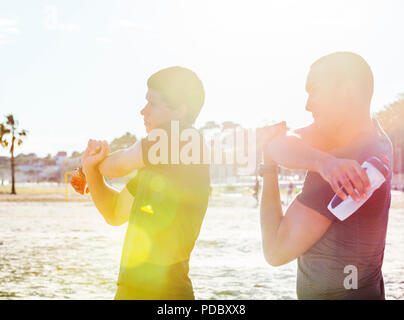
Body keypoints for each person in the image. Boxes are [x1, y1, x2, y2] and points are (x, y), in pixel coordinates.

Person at [259, 52, 393, 299]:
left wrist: (269, 171)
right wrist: (323, 161)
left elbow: (275, 250)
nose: (308, 105)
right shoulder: (375, 138)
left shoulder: (344, 170)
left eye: (315, 91)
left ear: (348, 92)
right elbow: (280, 143)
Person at [78, 66, 210, 300]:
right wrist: (91, 172)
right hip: (131, 291)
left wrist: (92, 163)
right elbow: (115, 212)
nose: (143, 111)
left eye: (153, 104)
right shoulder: (159, 164)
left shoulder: (181, 139)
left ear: (181, 111)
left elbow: (117, 165)